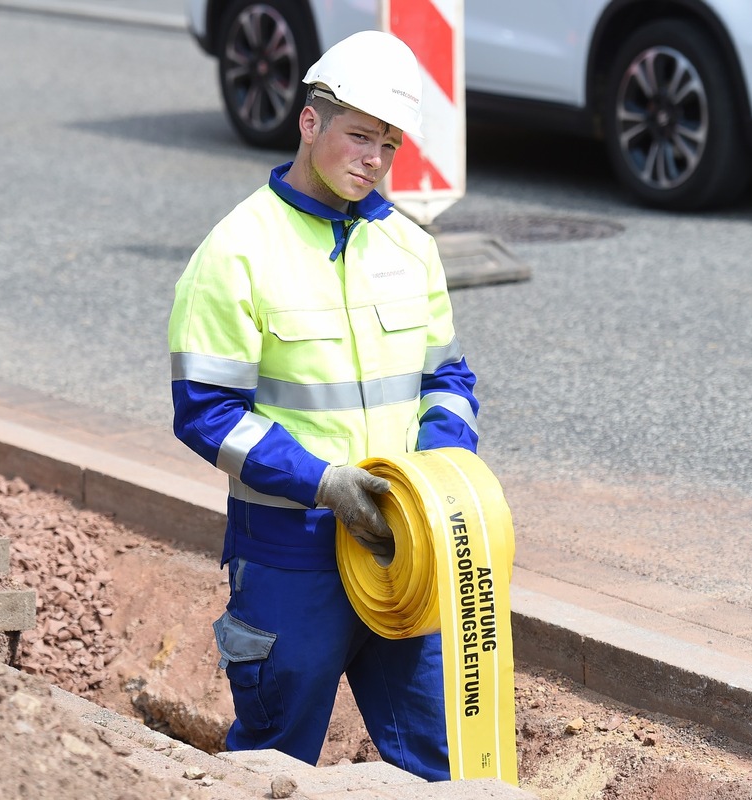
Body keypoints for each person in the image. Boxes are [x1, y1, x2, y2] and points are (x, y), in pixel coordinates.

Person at [167, 29, 479, 782]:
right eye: (359, 136)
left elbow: (448, 378)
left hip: (401, 547)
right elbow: (205, 410)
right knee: (274, 767)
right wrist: (323, 482)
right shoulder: (238, 249)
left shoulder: (411, 248)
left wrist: (444, 468)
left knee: (441, 763)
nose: (373, 160)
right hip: (290, 554)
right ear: (310, 123)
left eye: (389, 145)